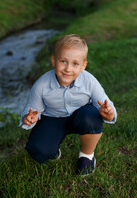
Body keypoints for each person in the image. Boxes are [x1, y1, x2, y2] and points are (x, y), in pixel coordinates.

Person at [19, 34, 117, 176]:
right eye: (63, 61)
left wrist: (109, 113)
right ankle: (52, 148)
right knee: (38, 151)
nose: (68, 69)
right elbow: (32, 111)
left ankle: (87, 156)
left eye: (75, 64)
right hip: (53, 118)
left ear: (83, 66)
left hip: (82, 116)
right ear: (54, 60)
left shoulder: (89, 81)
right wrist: (28, 119)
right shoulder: (41, 85)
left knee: (92, 116)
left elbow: (107, 105)